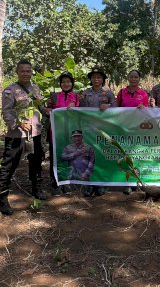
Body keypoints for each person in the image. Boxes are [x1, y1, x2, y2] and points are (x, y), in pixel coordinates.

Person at [0, 60, 47, 214]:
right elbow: (6, 111)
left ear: (32, 72)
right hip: (17, 135)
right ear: (17, 72)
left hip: (35, 133)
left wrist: (47, 110)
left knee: (36, 161)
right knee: (9, 165)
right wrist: (18, 123)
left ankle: (36, 188)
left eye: (28, 71)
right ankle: (2, 198)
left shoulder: (35, 88)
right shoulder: (10, 91)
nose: (26, 73)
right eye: (22, 71)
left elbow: (40, 106)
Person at [80, 67, 116, 196]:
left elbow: (116, 109)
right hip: (89, 129)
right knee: (89, 156)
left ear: (103, 79)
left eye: (99, 77)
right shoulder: (85, 93)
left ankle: (101, 183)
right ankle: (89, 184)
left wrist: (109, 106)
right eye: (94, 77)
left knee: (101, 155)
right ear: (90, 79)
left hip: (103, 130)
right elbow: (80, 110)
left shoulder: (108, 93)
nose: (96, 79)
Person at [45, 71, 80, 194]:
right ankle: (55, 183)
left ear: (72, 83)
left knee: (69, 156)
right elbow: (47, 109)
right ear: (60, 84)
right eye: (63, 82)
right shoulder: (54, 96)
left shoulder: (76, 96)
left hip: (69, 132)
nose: (66, 84)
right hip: (55, 132)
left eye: (68, 81)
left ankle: (67, 182)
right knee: (55, 157)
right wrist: (48, 109)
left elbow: (80, 113)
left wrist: (75, 108)